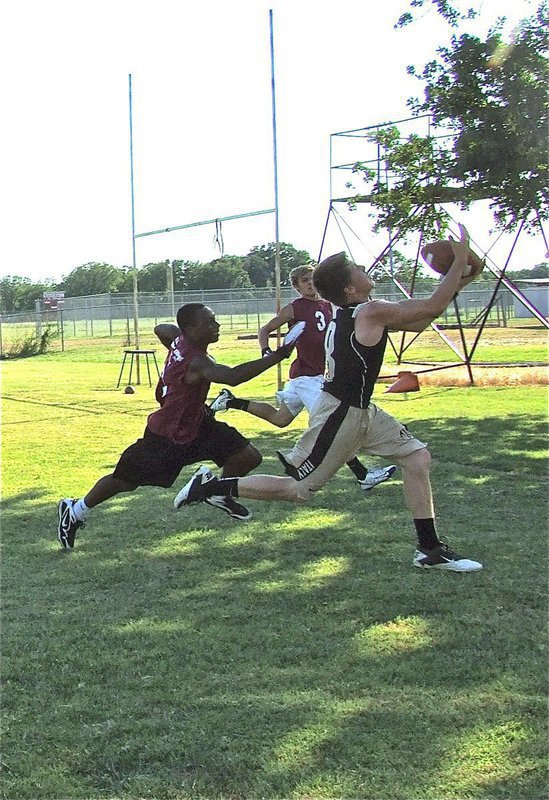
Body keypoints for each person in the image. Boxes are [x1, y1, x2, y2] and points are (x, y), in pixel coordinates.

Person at [174, 225, 484, 572]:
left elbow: (422, 319)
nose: (365, 270)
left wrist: (463, 276)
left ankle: (429, 549)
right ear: (350, 288)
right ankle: (210, 486)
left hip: (363, 410)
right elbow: (432, 304)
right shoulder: (369, 311)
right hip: (340, 414)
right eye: (358, 270)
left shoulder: (364, 312)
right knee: (298, 490)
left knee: (417, 458)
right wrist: (460, 259)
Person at [57, 303, 297, 549]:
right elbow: (233, 376)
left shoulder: (179, 340)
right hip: (168, 433)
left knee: (247, 457)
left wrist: (176, 341)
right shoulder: (197, 361)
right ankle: (75, 510)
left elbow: (161, 328)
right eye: (210, 322)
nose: (217, 326)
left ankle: (216, 491)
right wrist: (276, 356)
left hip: (197, 424)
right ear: (191, 328)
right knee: (125, 481)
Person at [208, 264, 396, 492]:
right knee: (333, 423)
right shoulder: (295, 307)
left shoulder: (330, 304)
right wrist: (266, 351)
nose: (310, 283)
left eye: (312, 279)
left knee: (280, 419)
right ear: (296, 287)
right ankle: (362, 474)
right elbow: (265, 330)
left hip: (315, 374)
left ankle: (230, 401)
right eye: (304, 280)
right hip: (307, 377)